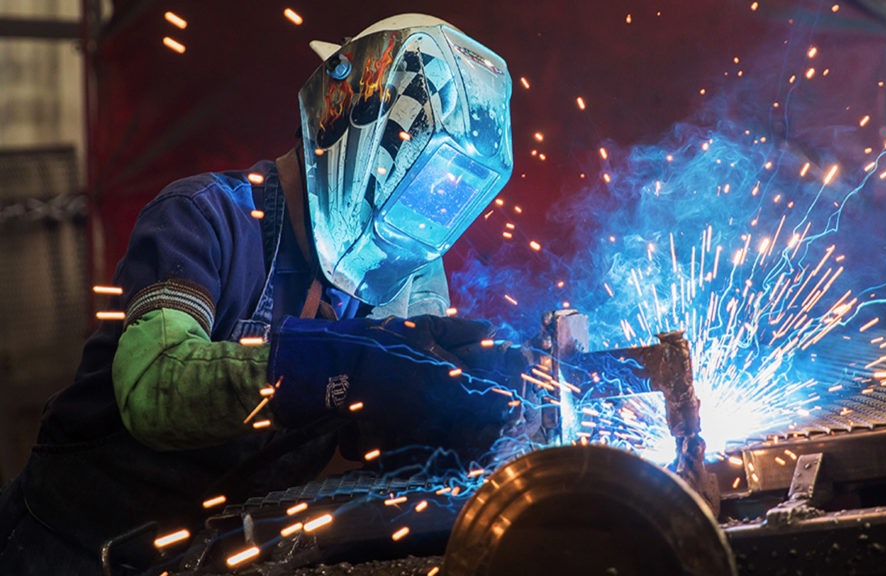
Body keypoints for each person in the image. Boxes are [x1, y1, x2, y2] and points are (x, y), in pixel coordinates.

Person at [0, 14, 520, 574]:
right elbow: (154, 387)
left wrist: (452, 408)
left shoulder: (399, 268)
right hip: (64, 548)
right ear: (347, 117)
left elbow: (383, 432)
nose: (405, 222)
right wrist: (342, 366)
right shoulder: (202, 217)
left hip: (204, 556)